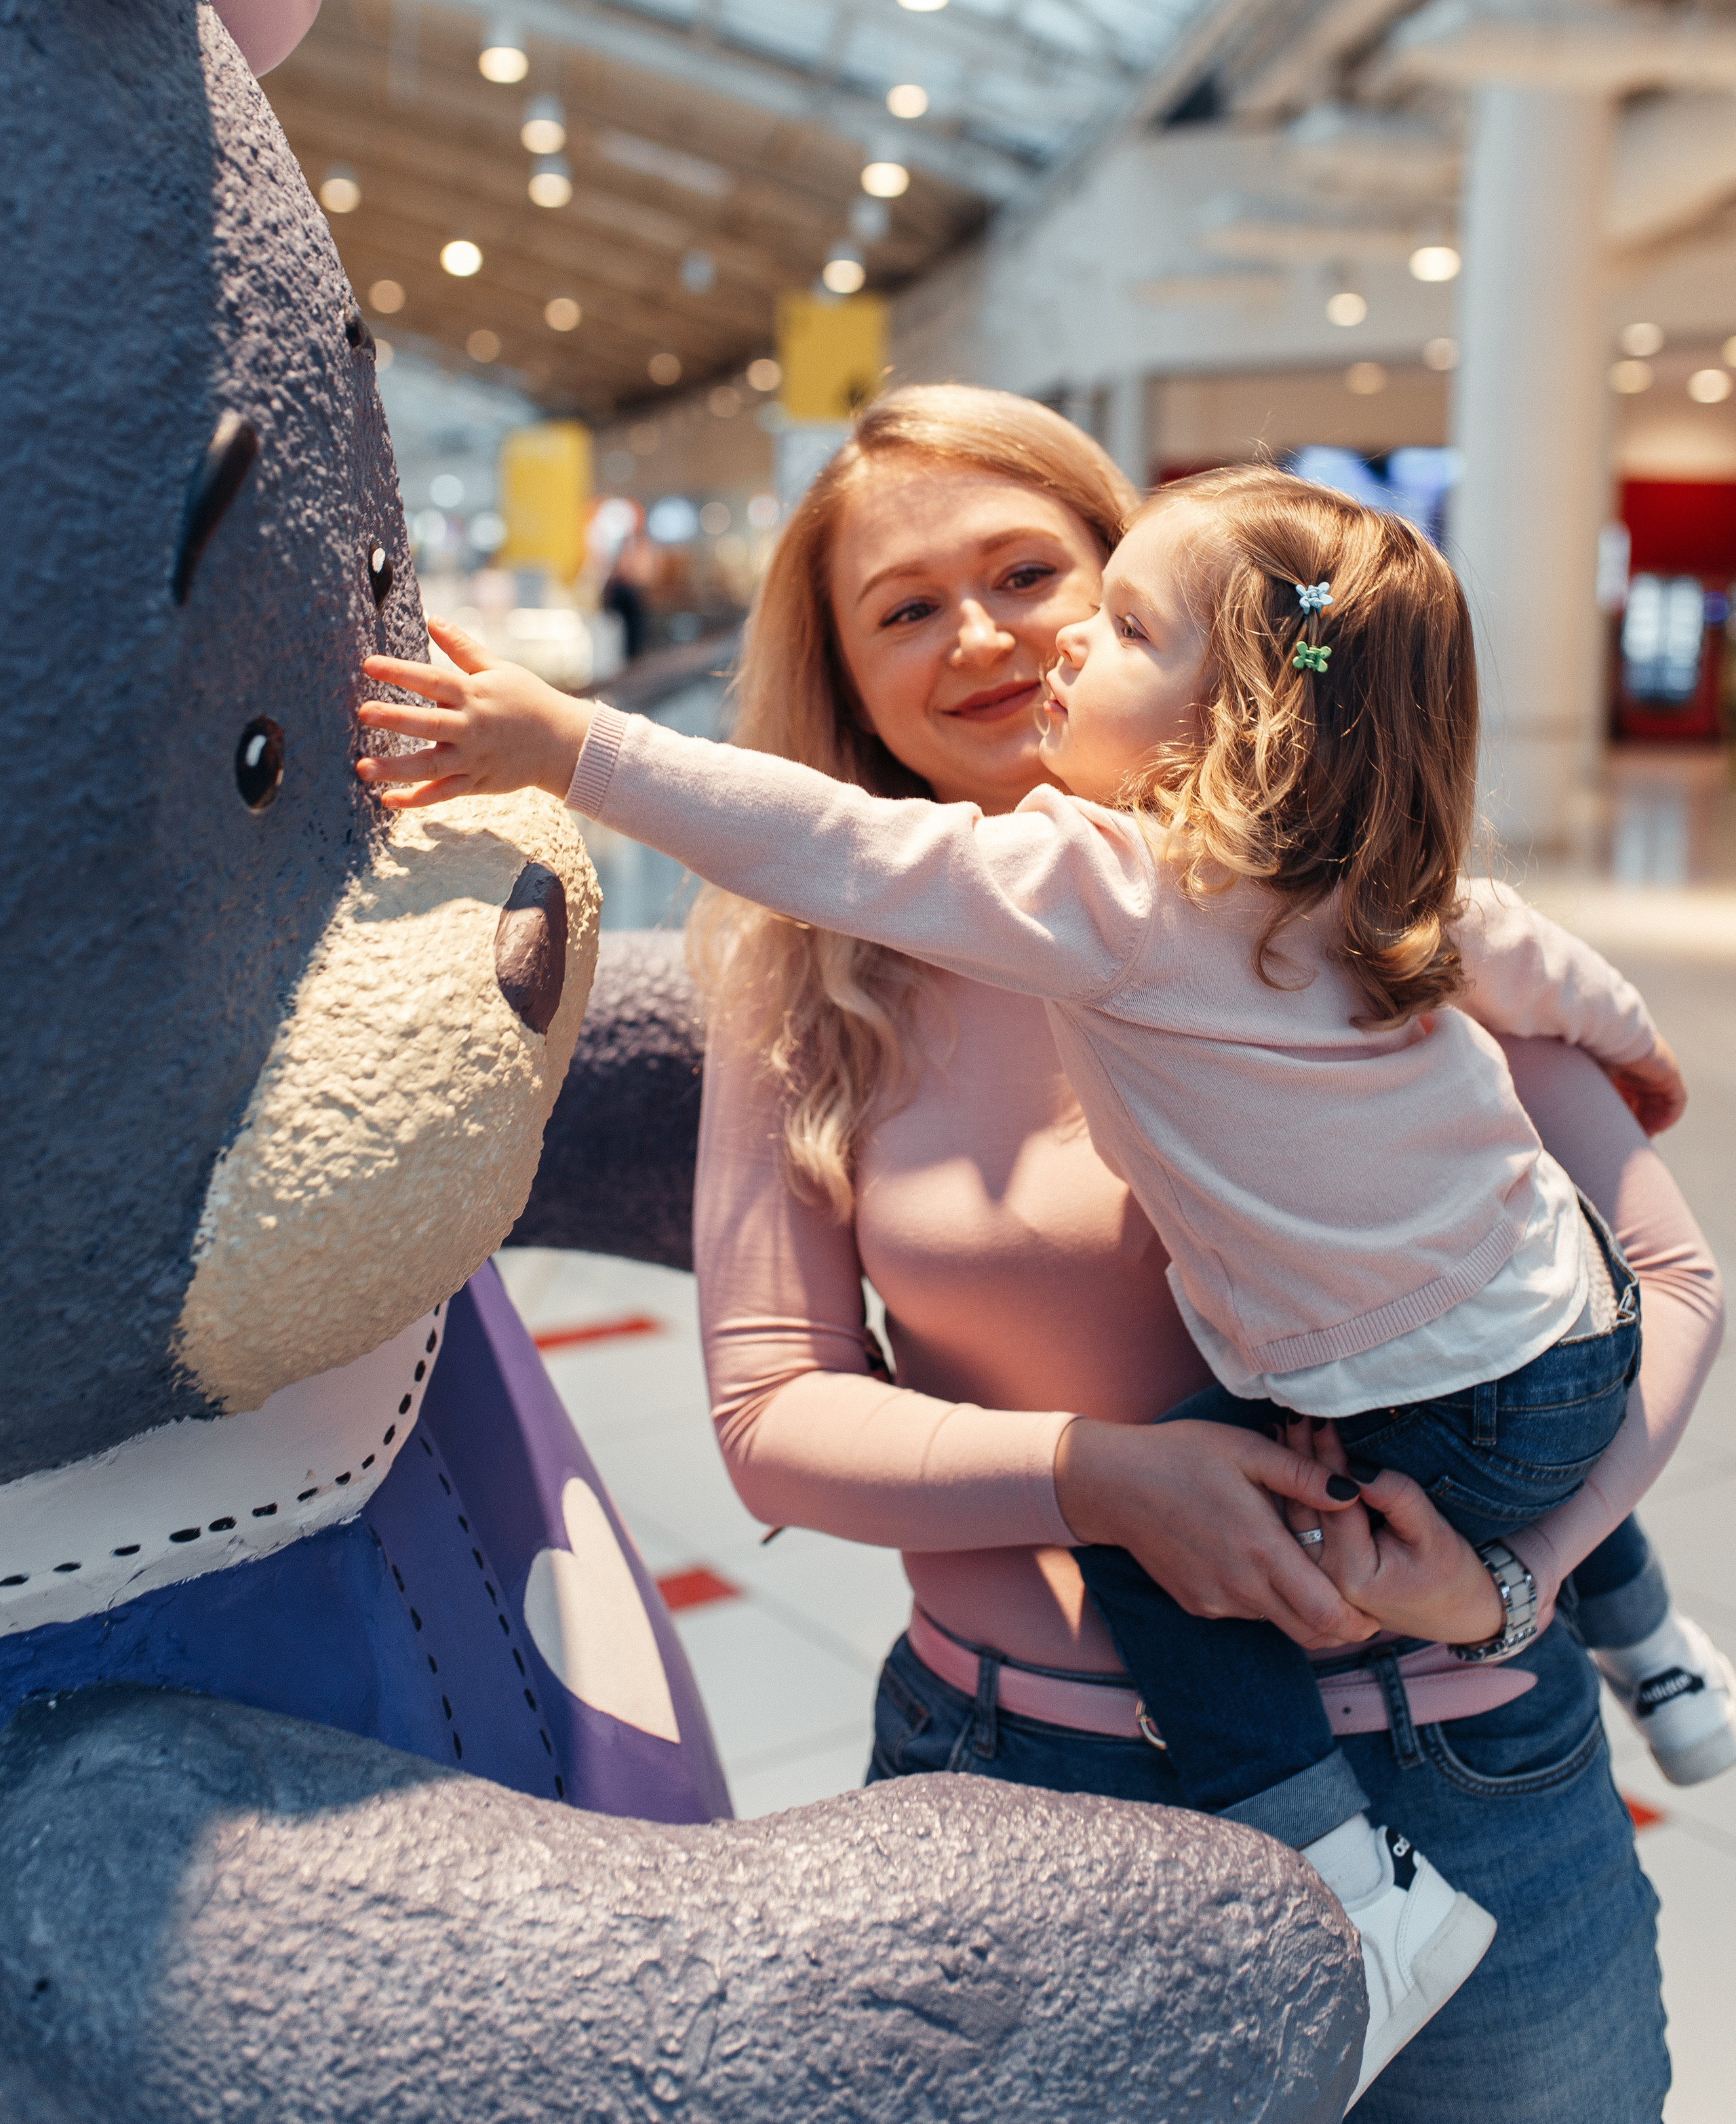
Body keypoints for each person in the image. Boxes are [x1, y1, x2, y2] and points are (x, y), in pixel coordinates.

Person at [357, 389, 1724, 2119]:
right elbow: (772, 1415)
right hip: (1020, 1780)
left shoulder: (1364, 891)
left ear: (1168, 606)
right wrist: (1101, 1479)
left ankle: (1644, 1644)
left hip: (1470, 1764)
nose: (987, 639)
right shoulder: (808, 980)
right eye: (903, 610)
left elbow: (1659, 1288)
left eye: (1031, 576)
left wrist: (1516, 1583)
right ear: (845, 681)